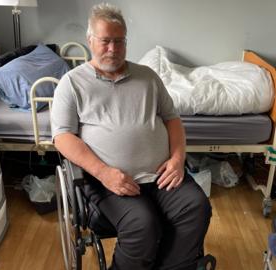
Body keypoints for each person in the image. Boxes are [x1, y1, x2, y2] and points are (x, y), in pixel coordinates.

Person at [51, 3, 212, 270]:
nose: (113, 49)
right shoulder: (72, 83)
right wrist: (103, 173)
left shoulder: (148, 77)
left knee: (196, 207)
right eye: (105, 41)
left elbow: (172, 118)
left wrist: (177, 158)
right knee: (142, 225)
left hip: (162, 175)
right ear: (90, 41)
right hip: (109, 180)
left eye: (119, 41)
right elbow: (63, 136)